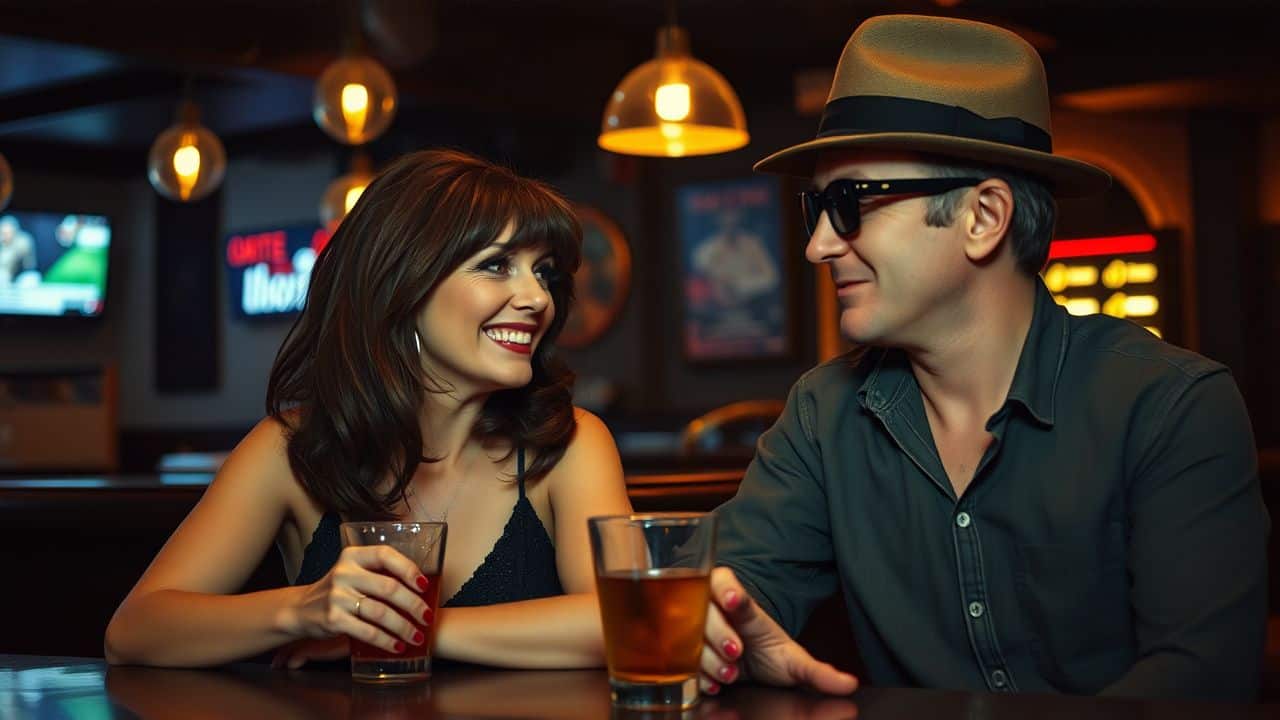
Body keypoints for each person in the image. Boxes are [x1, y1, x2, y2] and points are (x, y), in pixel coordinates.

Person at [698, 14, 1269, 701]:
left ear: (984, 217)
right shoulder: (824, 415)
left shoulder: (1170, 406)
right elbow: (721, 595)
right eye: (815, 207)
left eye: (850, 202)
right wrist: (712, 623)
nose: (818, 244)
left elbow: (1199, 687)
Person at [105, 149, 633, 669]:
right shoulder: (289, 449)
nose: (537, 297)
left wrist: (412, 627)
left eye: (542, 272)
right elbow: (134, 630)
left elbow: (627, 622)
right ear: (403, 284)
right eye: (496, 265)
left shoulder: (571, 444)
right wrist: (303, 611)